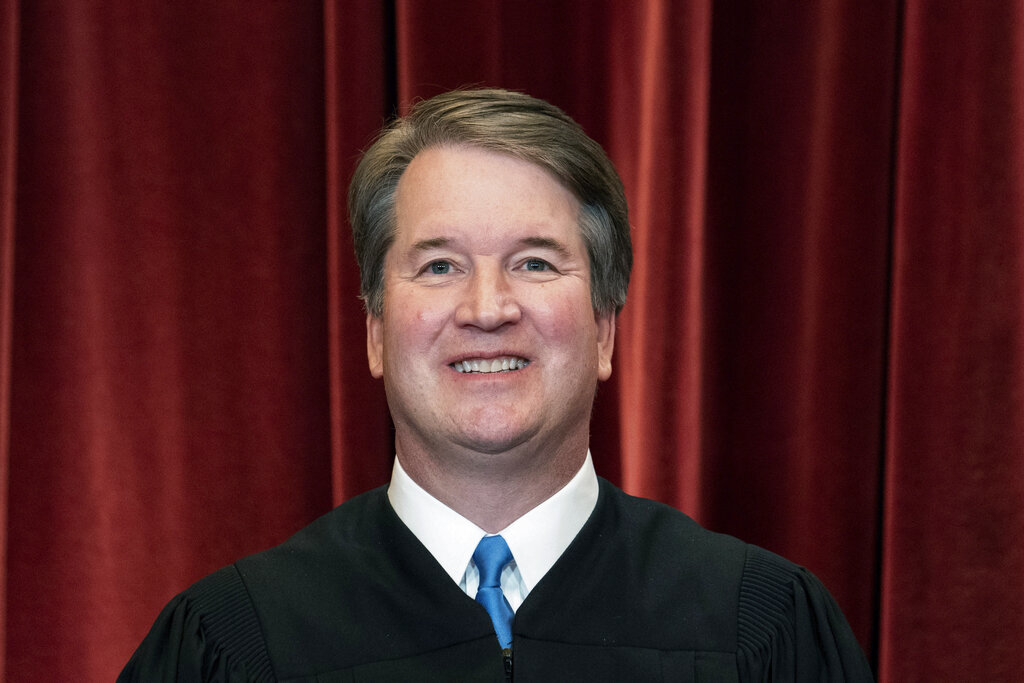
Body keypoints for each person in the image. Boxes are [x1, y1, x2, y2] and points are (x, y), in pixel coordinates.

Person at [120, 88, 873, 682]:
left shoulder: (757, 630)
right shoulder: (234, 644)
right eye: (440, 265)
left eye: (536, 262)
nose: (488, 309)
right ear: (377, 330)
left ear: (606, 328)